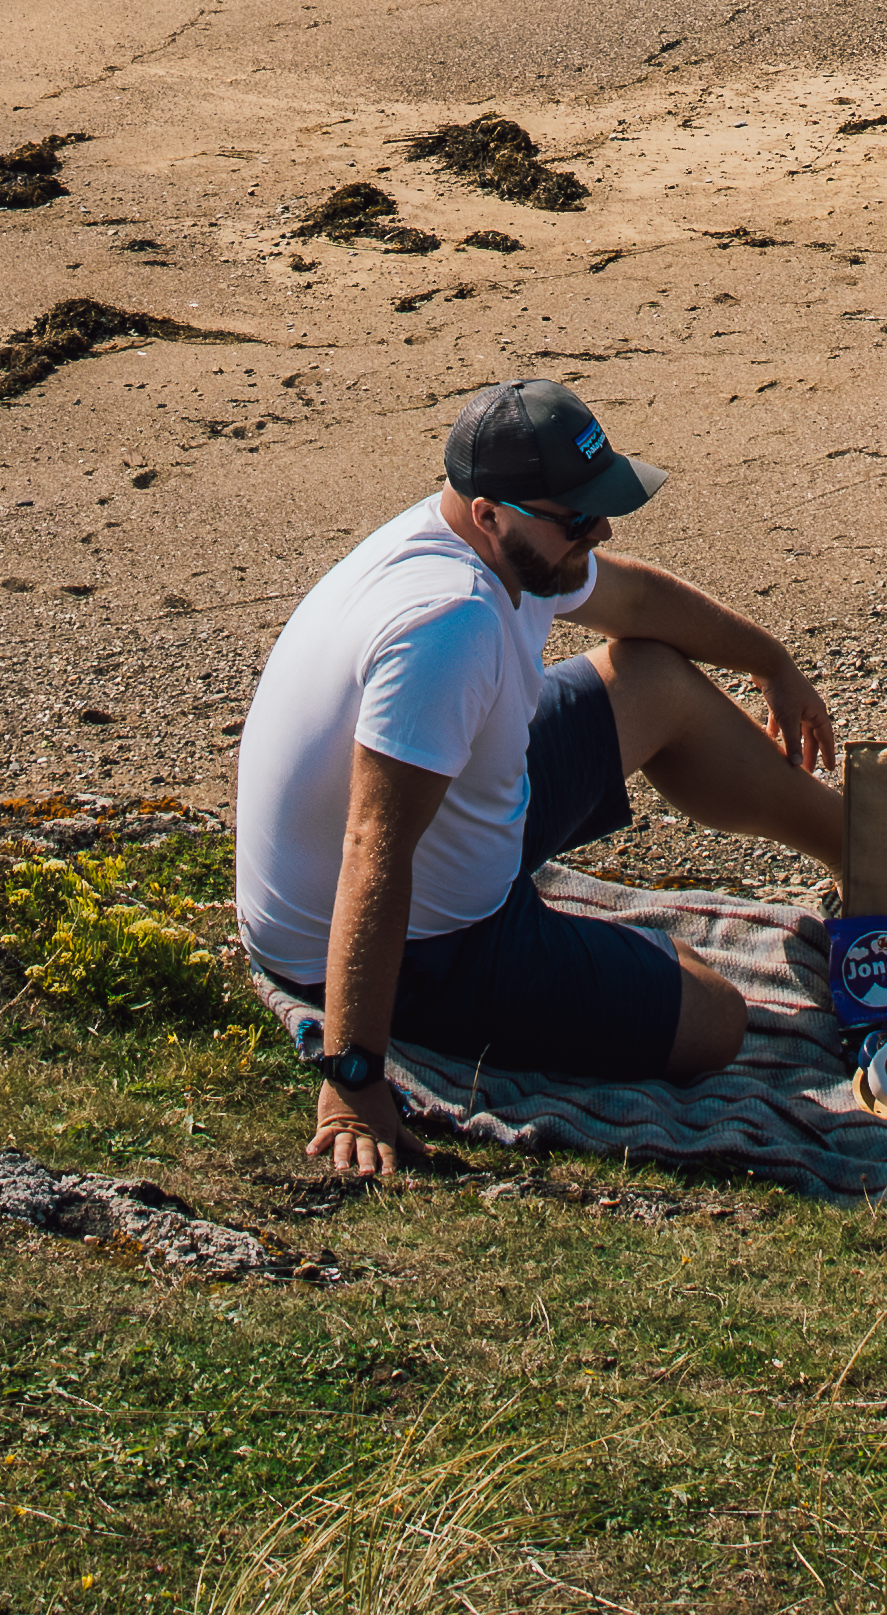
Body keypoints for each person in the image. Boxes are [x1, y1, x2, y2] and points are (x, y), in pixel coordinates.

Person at [232, 372, 848, 1182]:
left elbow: (632, 602)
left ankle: (860, 861)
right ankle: (582, 960)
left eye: (603, 511)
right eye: (579, 519)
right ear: (490, 514)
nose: (595, 534)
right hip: (428, 944)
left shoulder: (503, 543)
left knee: (652, 680)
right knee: (717, 1019)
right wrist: (353, 1078)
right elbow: (373, 845)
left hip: (455, 831)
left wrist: (771, 661)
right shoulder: (448, 623)